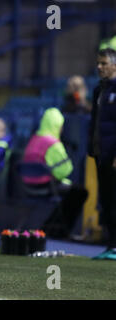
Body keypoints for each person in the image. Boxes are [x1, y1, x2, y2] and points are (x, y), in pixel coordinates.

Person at [21, 108, 88, 239]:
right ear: (57, 125)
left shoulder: (34, 139)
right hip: (45, 187)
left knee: (68, 193)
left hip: (27, 186)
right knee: (80, 192)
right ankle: (59, 230)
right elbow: (65, 170)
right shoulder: (53, 144)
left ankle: (48, 227)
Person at [89, 48, 116, 260]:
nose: (99, 67)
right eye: (98, 63)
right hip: (101, 154)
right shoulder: (99, 90)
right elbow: (95, 123)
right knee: (106, 202)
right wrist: (92, 148)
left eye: (104, 63)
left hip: (113, 155)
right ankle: (112, 245)